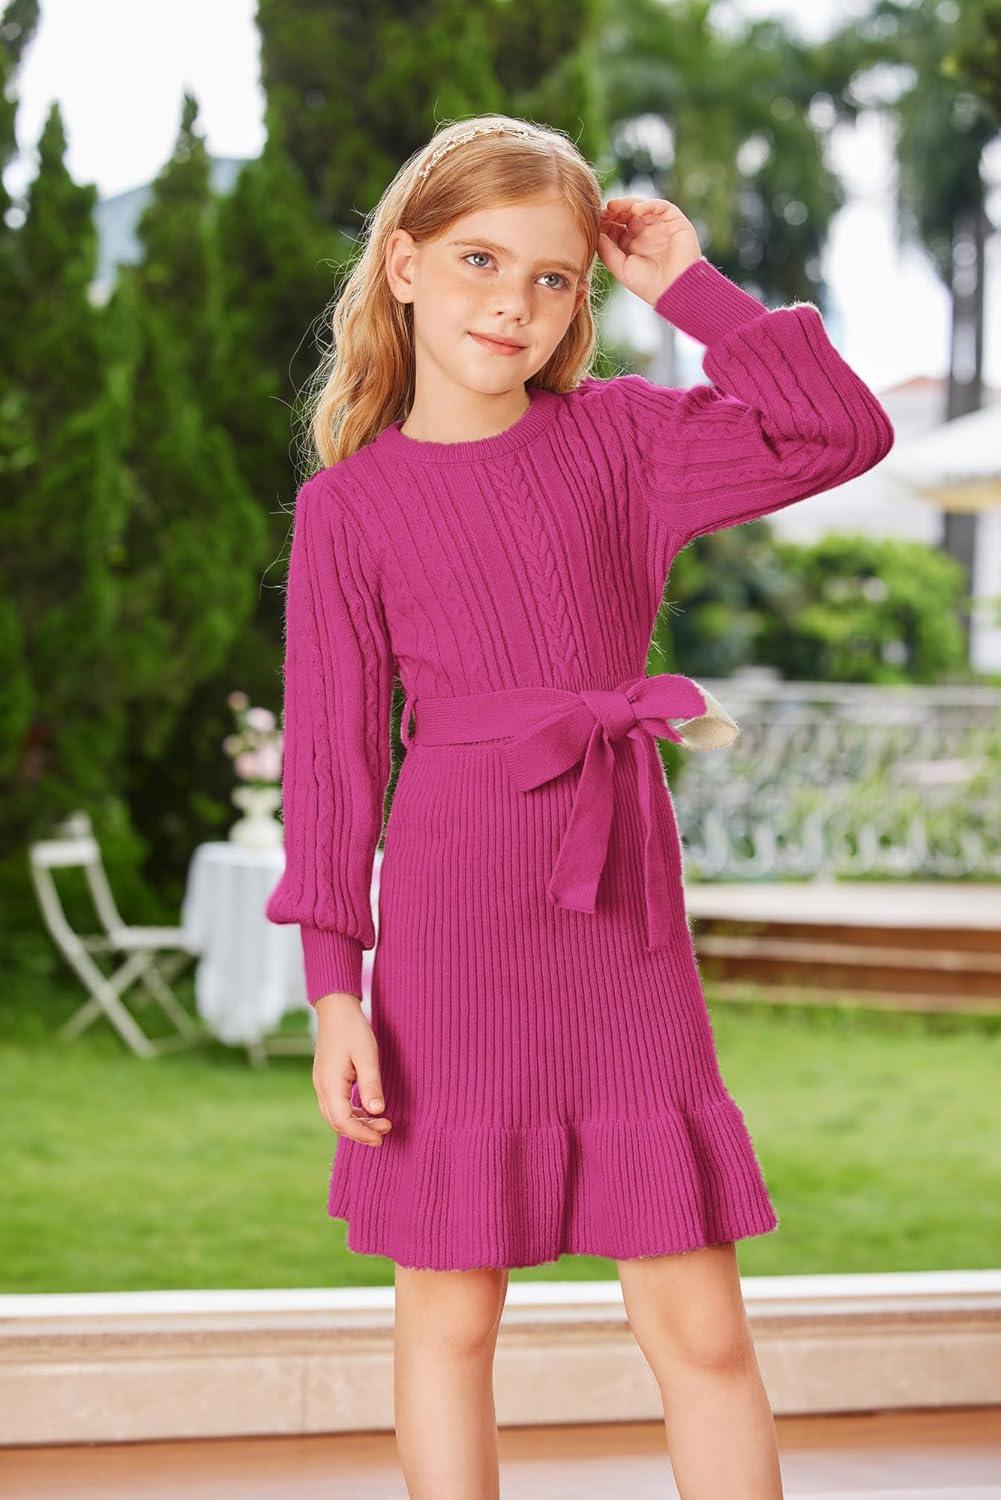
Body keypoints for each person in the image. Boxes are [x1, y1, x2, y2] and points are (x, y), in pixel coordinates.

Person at [265, 112, 894, 1499]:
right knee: (449, 1319)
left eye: (553, 277)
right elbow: (331, 769)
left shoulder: (623, 440)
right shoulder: (349, 511)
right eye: (480, 260)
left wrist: (692, 290)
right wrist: (332, 991)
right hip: (452, 927)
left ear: (578, 305)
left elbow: (842, 431)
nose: (513, 301)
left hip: (619, 915)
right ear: (405, 266)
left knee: (701, 1329)